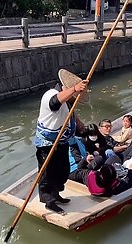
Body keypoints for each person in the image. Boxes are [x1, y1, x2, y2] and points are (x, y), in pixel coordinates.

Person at [33, 69, 88, 214]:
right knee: (47, 174)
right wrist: (75, 88)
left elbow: (69, 114)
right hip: (48, 144)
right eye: (73, 93)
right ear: (65, 87)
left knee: (63, 171)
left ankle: (56, 194)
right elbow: (54, 103)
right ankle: (49, 201)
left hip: (62, 142)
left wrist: (79, 124)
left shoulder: (68, 101)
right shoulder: (50, 95)